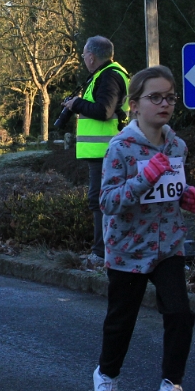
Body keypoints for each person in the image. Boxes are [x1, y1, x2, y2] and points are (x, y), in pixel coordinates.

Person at [93, 65, 195, 391]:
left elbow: (172, 189)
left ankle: (172, 384)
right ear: (135, 105)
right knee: (121, 321)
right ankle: (106, 376)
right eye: (155, 97)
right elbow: (107, 201)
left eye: (170, 97)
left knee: (180, 314)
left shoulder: (177, 146)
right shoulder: (120, 148)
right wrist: (144, 179)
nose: (164, 104)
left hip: (169, 244)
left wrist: (187, 196)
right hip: (128, 248)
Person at [60, 36, 130, 267]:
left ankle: (101, 254)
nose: (83, 59)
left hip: (106, 152)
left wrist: (76, 104)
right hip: (105, 151)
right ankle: (106, 251)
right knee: (103, 200)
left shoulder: (109, 75)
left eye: (83, 54)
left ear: (91, 56)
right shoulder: (107, 74)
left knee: (101, 200)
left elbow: (104, 111)